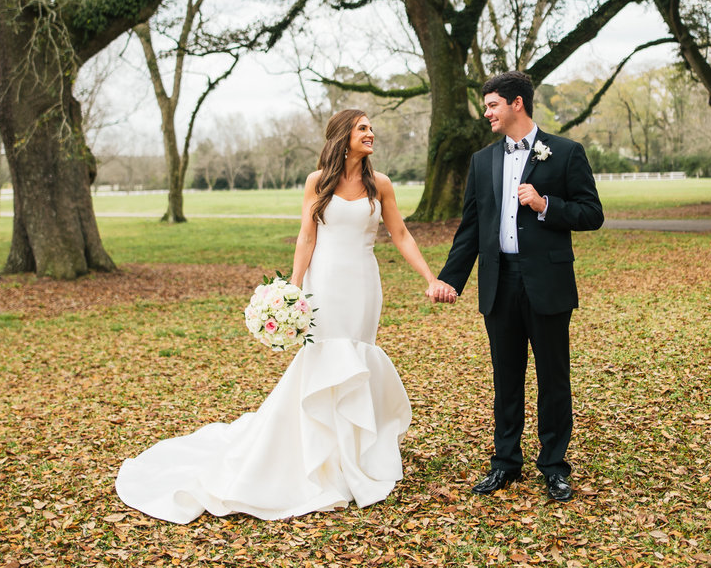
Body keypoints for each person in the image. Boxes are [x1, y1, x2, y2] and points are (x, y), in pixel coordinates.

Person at [116, 109, 453, 522]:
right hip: (323, 283)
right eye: (362, 127)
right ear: (342, 136)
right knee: (323, 360)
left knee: (355, 359)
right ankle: (316, 458)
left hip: (363, 284)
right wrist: (292, 291)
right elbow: (307, 235)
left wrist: (430, 277)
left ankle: (353, 461)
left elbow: (400, 233)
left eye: (370, 128)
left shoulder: (379, 184)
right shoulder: (317, 181)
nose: (371, 133)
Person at [431, 71, 604, 502]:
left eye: (492, 105)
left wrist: (546, 205)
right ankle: (505, 463)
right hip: (499, 283)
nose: (486, 112)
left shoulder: (565, 153)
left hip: (547, 282)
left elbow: (591, 213)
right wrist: (450, 280)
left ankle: (554, 466)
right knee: (506, 378)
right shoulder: (482, 161)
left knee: (553, 377)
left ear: (517, 104)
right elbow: (470, 229)